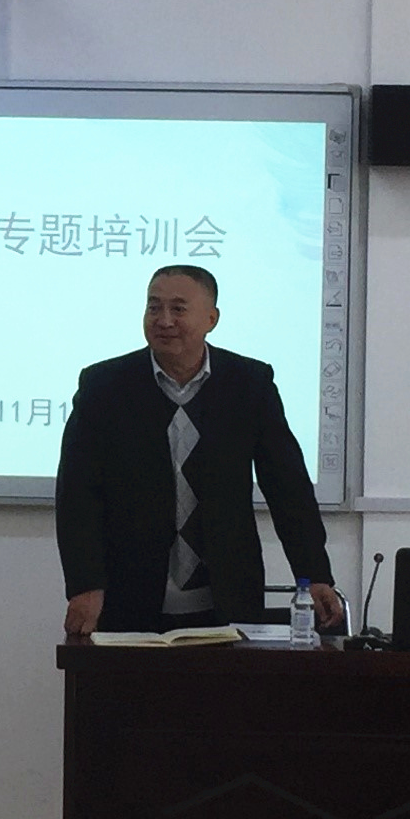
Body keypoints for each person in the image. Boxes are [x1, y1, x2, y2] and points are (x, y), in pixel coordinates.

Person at [56, 264, 341, 634]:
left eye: (178, 309)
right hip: (127, 595)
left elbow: (288, 488)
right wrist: (85, 584)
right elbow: (77, 494)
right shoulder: (104, 387)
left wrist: (314, 574)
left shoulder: (249, 384)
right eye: (154, 307)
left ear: (211, 319)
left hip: (227, 595)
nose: (164, 320)